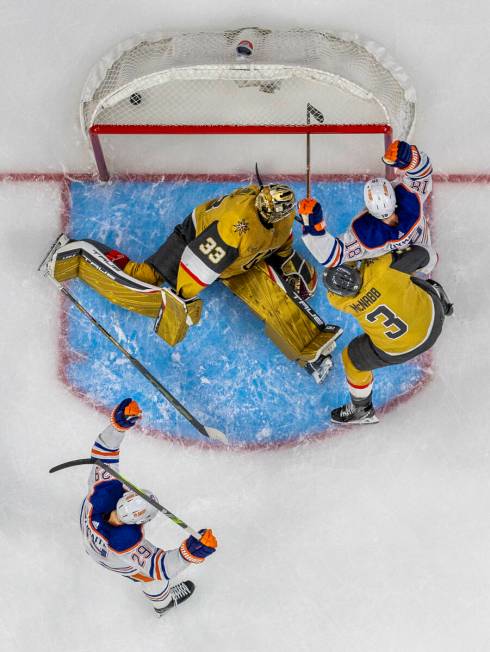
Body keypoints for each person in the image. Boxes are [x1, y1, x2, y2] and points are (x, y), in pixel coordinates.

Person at [45, 184, 340, 383]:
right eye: (260, 202)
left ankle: (310, 355)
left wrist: (284, 260)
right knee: (145, 277)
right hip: (195, 237)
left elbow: (281, 240)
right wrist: (184, 298)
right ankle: (79, 254)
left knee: (277, 299)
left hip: (241, 260)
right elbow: (199, 262)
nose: (262, 206)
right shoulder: (235, 225)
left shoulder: (285, 220)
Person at [80, 398, 218, 616]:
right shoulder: (126, 542)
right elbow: (161, 567)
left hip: (89, 539)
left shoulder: (101, 490)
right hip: (115, 561)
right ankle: (163, 604)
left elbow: (104, 450)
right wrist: (189, 553)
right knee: (153, 578)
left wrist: (117, 427)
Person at [322, 246, 453, 424]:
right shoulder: (382, 269)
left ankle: (362, 409)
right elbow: (424, 255)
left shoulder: (339, 301)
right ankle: (442, 301)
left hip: (400, 350)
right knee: (408, 281)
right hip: (433, 318)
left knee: (351, 359)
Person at [298, 140, 437, 274]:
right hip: (423, 260)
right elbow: (422, 175)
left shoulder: (365, 233)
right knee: (422, 256)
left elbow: (332, 256)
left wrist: (313, 228)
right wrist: (410, 159)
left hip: (398, 271)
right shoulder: (410, 199)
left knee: (414, 259)